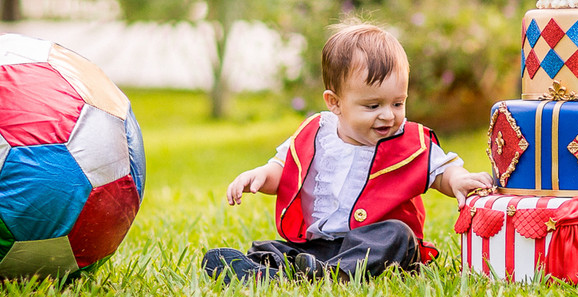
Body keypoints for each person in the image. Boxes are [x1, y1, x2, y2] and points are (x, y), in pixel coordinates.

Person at [201, 22, 494, 283]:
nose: (388, 116)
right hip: (319, 245)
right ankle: (273, 271)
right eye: (373, 106)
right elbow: (281, 169)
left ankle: (324, 274)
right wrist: (258, 177)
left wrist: (458, 180)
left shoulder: (409, 140)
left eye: (397, 103)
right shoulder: (316, 133)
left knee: (396, 235)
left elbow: (441, 169)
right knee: (270, 247)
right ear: (335, 103)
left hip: (372, 244)